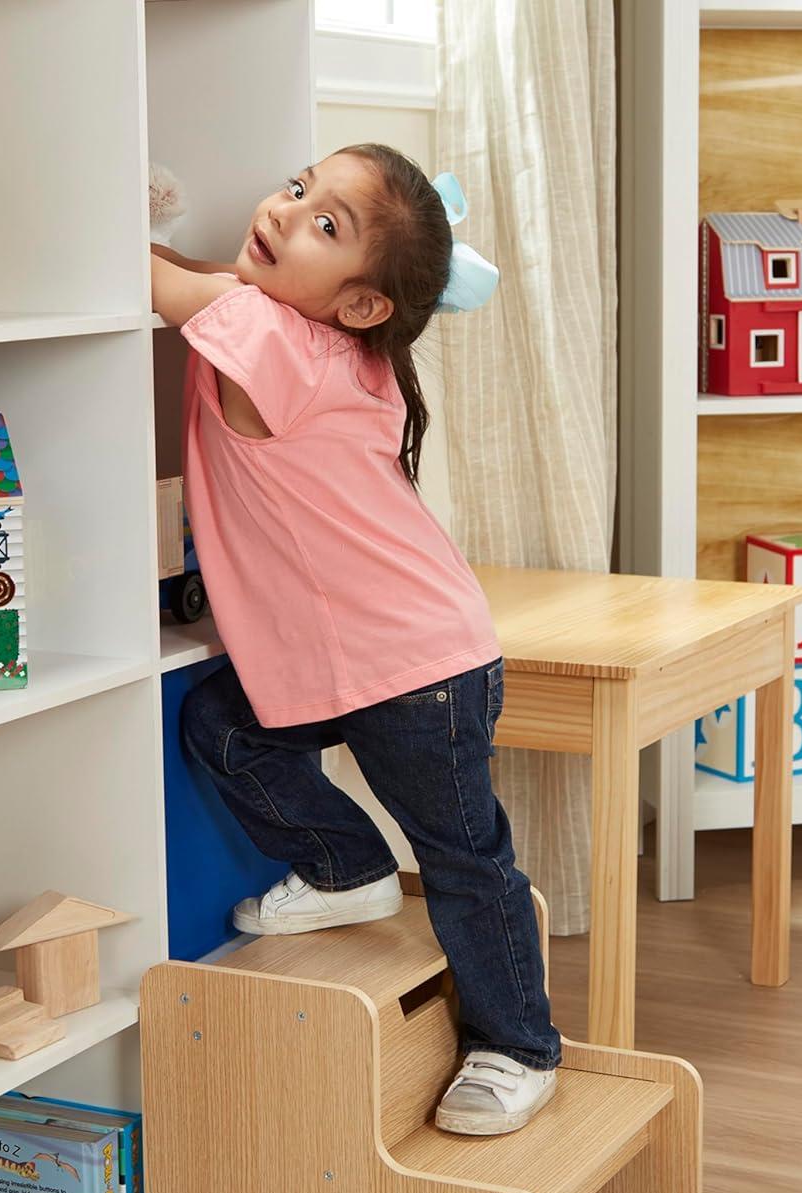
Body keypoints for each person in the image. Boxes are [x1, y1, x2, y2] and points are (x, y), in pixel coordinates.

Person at [150, 145, 560, 1136]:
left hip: (419, 670)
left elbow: (155, 279)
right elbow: (213, 285)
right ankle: (346, 867)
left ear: (366, 304)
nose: (285, 216)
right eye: (296, 189)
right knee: (221, 723)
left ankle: (519, 1048)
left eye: (327, 226)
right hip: (356, 653)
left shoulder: (267, 336)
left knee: (464, 858)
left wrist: (122, 204)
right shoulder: (334, 345)